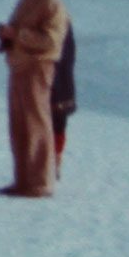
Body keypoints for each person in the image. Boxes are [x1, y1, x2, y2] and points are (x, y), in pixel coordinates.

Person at [0, 0, 69, 198]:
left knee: (36, 123)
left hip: (38, 68)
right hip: (18, 67)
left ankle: (40, 182)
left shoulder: (51, 3)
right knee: (19, 125)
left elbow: (51, 40)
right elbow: (20, 32)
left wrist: (18, 34)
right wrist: (6, 36)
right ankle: (23, 180)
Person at [51, 21, 76, 177]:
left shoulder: (59, 18)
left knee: (57, 123)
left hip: (56, 82)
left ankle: (55, 162)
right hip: (59, 82)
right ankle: (53, 162)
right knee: (57, 124)